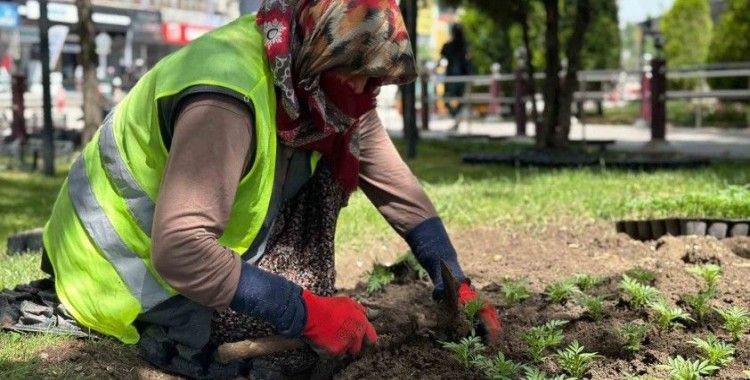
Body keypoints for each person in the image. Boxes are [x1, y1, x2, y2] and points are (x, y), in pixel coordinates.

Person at [40, 0, 499, 377]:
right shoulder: (226, 95)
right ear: (319, 50)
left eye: (373, 78)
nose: (362, 89)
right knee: (289, 357)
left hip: (175, 250)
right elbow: (180, 249)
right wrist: (306, 313)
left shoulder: (316, 83)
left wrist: (454, 281)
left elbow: (397, 188)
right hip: (116, 272)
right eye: (354, 73)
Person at [440, 23, 472, 128]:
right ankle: (456, 115)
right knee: (461, 98)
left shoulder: (449, 46)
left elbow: (442, 57)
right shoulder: (465, 46)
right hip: (462, 76)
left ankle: (455, 115)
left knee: (448, 97)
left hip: (452, 77)